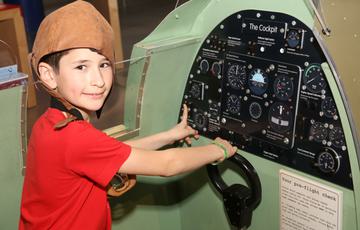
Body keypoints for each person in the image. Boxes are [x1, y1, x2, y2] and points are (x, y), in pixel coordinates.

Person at [19, 1, 237, 229]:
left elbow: (117, 153)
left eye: (104, 64)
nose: (99, 80)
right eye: (81, 67)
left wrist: (169, 135)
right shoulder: (74, 138)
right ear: (48, 75)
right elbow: (168, 164)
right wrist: (219, 149)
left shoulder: (51, 123)